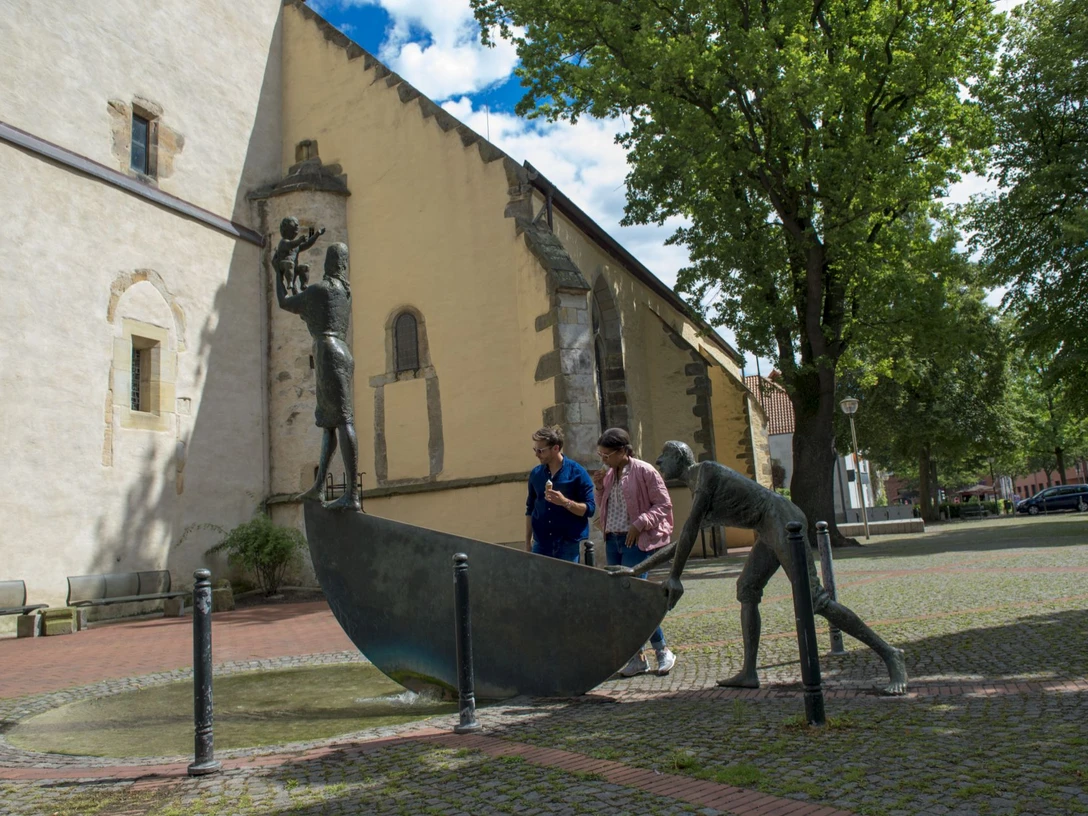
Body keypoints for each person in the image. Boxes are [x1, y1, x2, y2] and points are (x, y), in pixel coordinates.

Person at [612, 441, 908, 695]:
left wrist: (675, 577)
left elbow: (689, 531)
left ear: (680, 457)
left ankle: (890, 654)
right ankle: (749, 673)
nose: (659, 460)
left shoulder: (707, 473)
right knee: (747, 588)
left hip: (780, 518)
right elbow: (683, 542)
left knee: (815, 599)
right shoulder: (698, 486)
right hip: (766, 526)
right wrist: (637, 570)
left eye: (664, 455)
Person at [277, 241, 361, 512]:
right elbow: (310, 310)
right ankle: (319, 488)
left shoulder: (322, 289)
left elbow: (286, 302)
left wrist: (281, 273)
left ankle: (351, 495)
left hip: (327, 351)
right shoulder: (343, 293)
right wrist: (300, 281)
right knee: (329, 422)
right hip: (341, 351)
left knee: (343, 420)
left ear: (328, 263)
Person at [594, 428, 677, 677]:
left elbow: (664, 504)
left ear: (622, 451)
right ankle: (638, 657)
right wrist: (599, 488)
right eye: (600, 454)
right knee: (623, 601)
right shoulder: (610, 475)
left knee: (636, 597)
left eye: (606, 454)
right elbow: (606, 508)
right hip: (613, 540)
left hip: (636, 541)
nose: (603, 459)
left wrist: (639, 523)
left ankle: (662, 650)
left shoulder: (644, 470)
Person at [525, 426, 595, 562]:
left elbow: (590, 509)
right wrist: (528, 543)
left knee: (567, 583)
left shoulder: (577, 473)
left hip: (567, 543)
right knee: (539, 583)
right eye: (535, 450)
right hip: (541, 543)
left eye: (541, 451)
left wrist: (565, 502)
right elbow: (530, 509)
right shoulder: (536, 474)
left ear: (555, 448)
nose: (537, 454)